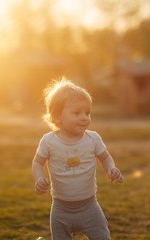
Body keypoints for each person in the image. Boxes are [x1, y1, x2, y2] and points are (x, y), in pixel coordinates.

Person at [32, 77, 124, 240]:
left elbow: (105, 157)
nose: (84, 117)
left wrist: (111, 168)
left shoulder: (93, 139)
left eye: (87, 113)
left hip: (89, 208)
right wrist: (39, 178)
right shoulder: (49, 141)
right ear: (57, 116)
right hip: (60, 210)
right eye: (76, 113)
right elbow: (38, 162)